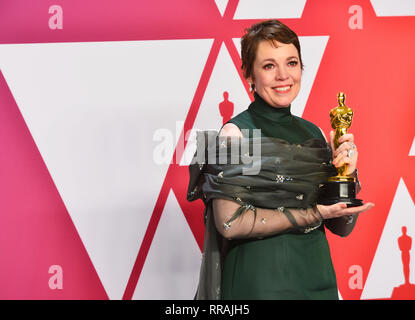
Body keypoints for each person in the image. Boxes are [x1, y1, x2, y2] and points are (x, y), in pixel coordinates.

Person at [187, 19, 374, 300]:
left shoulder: (316, 132)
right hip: (259, 284)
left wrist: (348, 174)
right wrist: (314, 214)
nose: (283, 75)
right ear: (249, 75)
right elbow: (229, 223)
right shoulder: (235, 133)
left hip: (318, 280)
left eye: (291, 63)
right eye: (269, 66)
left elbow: (341, 226)